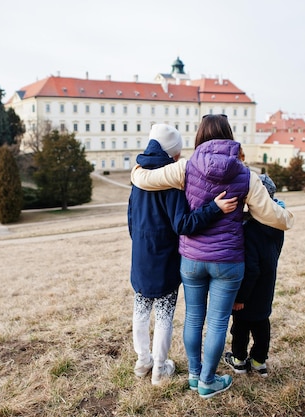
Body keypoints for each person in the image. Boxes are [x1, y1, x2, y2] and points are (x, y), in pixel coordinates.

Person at [131, 114, 294, 398]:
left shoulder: (185, 167)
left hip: (192, 260)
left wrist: (134, 172)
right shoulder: (245, 174)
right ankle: (208, 380)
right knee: (218, 323)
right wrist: (287, 217)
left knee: (194, 318)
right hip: (228, 262)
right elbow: (270, 215)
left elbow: (145, 178)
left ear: (199, 137)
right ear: (230, 135)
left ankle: (195, 376)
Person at [129, 124, 237, 385]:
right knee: (165, 314)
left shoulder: (138, 176)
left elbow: (131, 218)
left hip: (141, 255)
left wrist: (140, 244)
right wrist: (214, 209)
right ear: (172, 153)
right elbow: (183, 224)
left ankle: (143, 361)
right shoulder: (171, 182)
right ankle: (158, 369)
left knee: (141, 309)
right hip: (165, 258)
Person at [223, 173, 285, 378]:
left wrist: (240, 297)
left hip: (248, 291)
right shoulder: (277, 224)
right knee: (262, 325)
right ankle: (259, 361)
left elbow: (251, 269)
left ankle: (239, 360)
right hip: (267, 287)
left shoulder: (250, 230)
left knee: (240, 327)